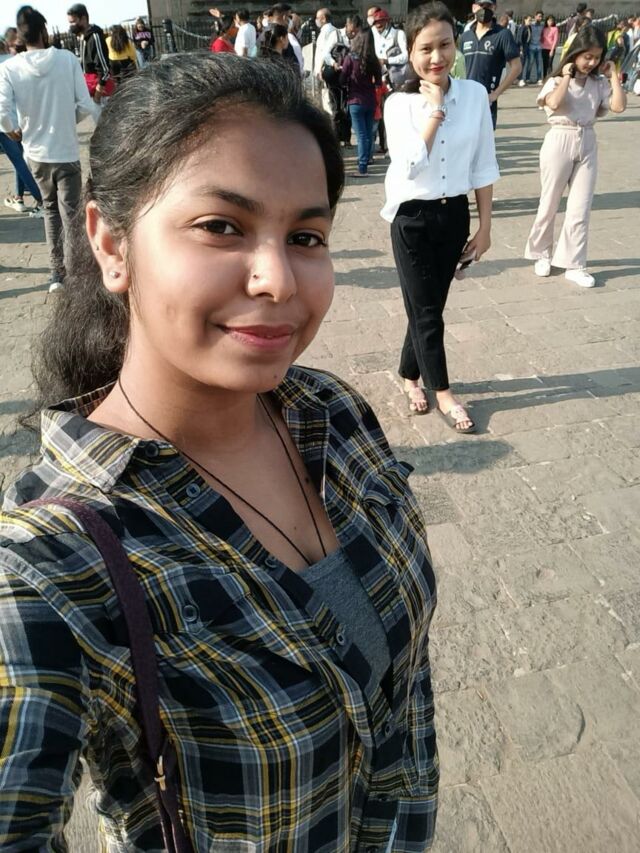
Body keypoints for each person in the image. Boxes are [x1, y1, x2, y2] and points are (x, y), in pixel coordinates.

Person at [0, 51, 437, 853]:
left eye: (305, 235)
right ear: (111, 243)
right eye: (221, 227)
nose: (278, 279)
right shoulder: (51, 567)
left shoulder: (332, 416)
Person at [382, 1, 499, 431]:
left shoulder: (474, 95)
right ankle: (444, 393)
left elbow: (483, 164)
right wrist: (434, 111)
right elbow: (410, 165)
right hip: (411, 218)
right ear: (411, 52)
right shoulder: (398, 104)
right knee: (428, 313)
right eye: (426, 49)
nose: (437, 57)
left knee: (427, 307)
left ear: (456, 44)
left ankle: (409, 375)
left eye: (445, 45)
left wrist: (485, 227)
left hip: (454, 218)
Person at [0, 7, 99, 292]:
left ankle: (57, 273)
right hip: (66, 150)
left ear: (21, 36)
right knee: (71, 214)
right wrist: (69, 120)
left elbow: (3, 112)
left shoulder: (10, 68)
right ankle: (77, 272)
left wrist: (14, 131)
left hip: (35, 153)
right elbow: (85, 104)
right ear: (44, 31)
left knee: (50, 210)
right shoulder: (66, 60)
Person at [525, 26, 627, 288]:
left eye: (596, 57)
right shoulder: (556, 81)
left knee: (581, 206)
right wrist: (567, 76)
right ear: (576, 53)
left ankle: (575, 263)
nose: (591, 62)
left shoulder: (598, 83)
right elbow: (553, 103)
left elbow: (618, 106)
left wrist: (614, 76)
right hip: (559, 137)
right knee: (549, 201)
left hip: (587, 140)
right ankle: (541, 253)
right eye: (587, 56)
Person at [460, 0, 521, 128]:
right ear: (474, 7)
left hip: (486, 101)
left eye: (488, 6)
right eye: (481, 6)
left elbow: (517, 67)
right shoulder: (465, 37)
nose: (484, 9)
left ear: (494, 8)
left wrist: (496, 94)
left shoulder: (503, 34)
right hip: (464, 100)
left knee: (484, 138)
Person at [339, 27, 381, 177]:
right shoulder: (374, 60)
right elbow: (378, 82)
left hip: (355, 100)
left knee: (361, 135)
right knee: (368, 133)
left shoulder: (350, 58)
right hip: (370, 100)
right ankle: (367, 160)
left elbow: (342, 80)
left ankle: (362, 167)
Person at [67, 3, 113, 102]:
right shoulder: (82, 37)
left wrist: (97, 96)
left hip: (101, 95)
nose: (71, 26)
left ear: (83, 19)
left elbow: (104, 70)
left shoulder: (94, 37)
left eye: (73, 22)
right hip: (91, 91)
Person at [371, 9, 409, 90]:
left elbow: (406, 56)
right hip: (382, 80)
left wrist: (387, 61)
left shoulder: (399, 34)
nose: (378, 28)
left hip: (398, 78)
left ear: (387, 22)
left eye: (381, 24)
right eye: (376, 25)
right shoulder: (376, 36)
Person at [525, 10, 545, 85]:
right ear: (535, 16)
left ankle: (539, 79)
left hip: (539, 47)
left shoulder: (542, 25)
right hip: (531, 47)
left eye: (541, 17)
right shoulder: (531, 24)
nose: (540, 18)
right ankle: (527, 78)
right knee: (530, 63)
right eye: (539, 16)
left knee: (539, 63)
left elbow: (553, 25)